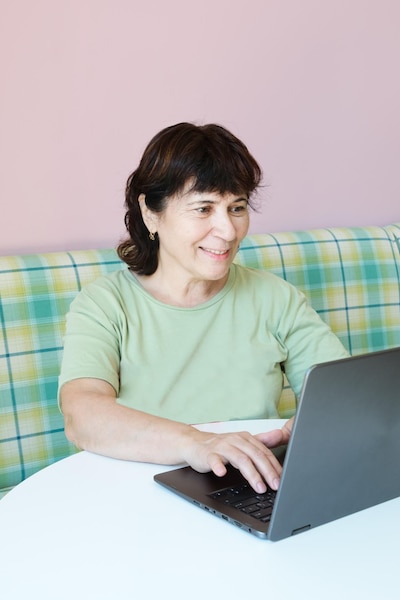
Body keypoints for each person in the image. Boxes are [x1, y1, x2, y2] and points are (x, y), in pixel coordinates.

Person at [59, 122, 349, 495]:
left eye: (237, 207)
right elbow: (81, 414)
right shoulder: (105, 304)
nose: (227, 230)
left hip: (250, 492)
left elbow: (340, 393)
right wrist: (195, 442)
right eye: (203, 208)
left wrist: (318, 422)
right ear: (151, 213)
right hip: (139, 496)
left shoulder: (276, 299)